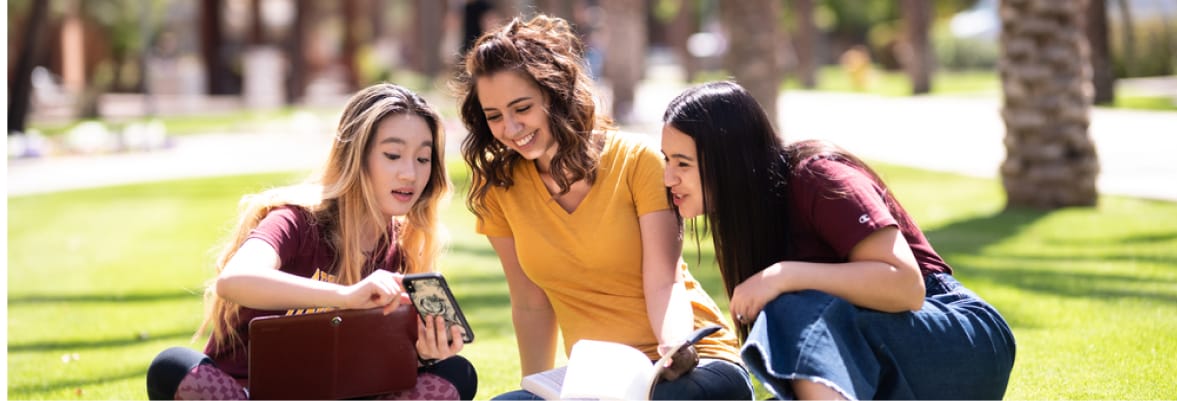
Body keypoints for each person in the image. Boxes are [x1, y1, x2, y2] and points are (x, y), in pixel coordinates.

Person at [454, 15, 752, 400]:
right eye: (494, 116)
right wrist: (536, 388)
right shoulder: (500, 187)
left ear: (555, 94)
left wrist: (674, 346)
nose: (510, 128)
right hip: (596, 380)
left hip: (690, 366)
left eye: (521, 108)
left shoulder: (637, 160)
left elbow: (665, 279)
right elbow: (530, 304)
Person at [659, 80, 1017, 400]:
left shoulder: (819, 176)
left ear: (728, 160)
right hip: (885, 356)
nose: (668, 177)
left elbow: (907, 286)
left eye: (683, 164)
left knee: (789, 305)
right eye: (666, 160)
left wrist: (785, 275)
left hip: (959, 340)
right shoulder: (746, 219)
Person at [145, 83, 478, 400]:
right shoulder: (295, 221)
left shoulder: (405, 248)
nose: (411, 174)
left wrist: (421, 353)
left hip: (342, 394)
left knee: (456, 372)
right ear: (355, 157)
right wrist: (346, 296)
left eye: (423, 159)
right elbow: (234, 280)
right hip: (248, 393)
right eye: (393, 155)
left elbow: (376, 365)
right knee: (172, 366)